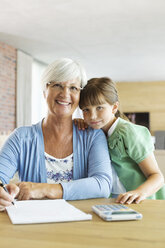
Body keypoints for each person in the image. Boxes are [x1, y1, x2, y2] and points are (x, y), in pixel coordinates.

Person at [0, 59, 112, 211]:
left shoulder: (92, 136)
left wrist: (45, 189)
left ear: (80, 96)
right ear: (45, 90)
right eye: (57, 85)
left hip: (81, 226)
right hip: (33, 226)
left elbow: (103, 184)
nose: (65, 94)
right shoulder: (21, 138)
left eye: (73, 88)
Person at [78, 77, 165, 204]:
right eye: (86, 110)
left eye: (99, 108)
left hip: (140, 201)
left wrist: (139, 192)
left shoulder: (128, 132)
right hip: (115, 201)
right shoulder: (95, 131)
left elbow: (157, 177)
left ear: (114, 108)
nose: (92, 116)